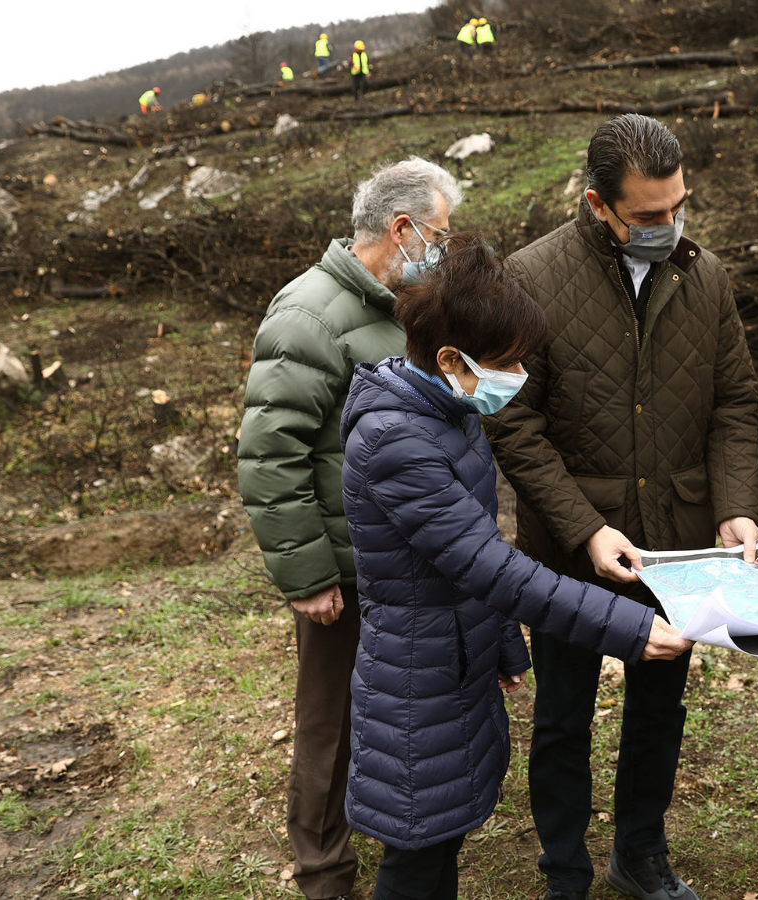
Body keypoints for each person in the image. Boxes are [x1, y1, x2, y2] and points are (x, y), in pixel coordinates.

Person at [339, 233, 694, 900]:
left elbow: (464, 550)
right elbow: (493, 566)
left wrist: (499, 641)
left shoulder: (444, 411)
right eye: (505, 364)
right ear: (450, 358)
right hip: (414, 679)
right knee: (417, 852)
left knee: (438, 835)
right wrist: (631, 629)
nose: (519, 379)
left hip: (451, 658)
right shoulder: (397, 442)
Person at [487, 113, 758, 900]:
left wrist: (739, 504)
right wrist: (583, 527)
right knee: (563, 716)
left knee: (658, 710)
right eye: (648, 216)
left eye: (678, 207)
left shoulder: (702, 275)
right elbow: (515, 424)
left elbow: (734, 405)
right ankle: (565, 872)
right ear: (597, 204)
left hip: (676, 546)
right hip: (571, 553)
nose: (669, 226)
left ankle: (640, 852)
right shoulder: (532, 277)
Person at [237, 157, 461, 900]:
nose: (445, 246)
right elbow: (272, 455)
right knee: (330, 722)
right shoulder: (309, 314)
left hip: (403, 563)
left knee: (392, 707)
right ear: (402, 229)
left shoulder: (402, 303)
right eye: (440, 232)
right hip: (346, 569)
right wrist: (307, 578)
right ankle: (324, 869)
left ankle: (386, 830)